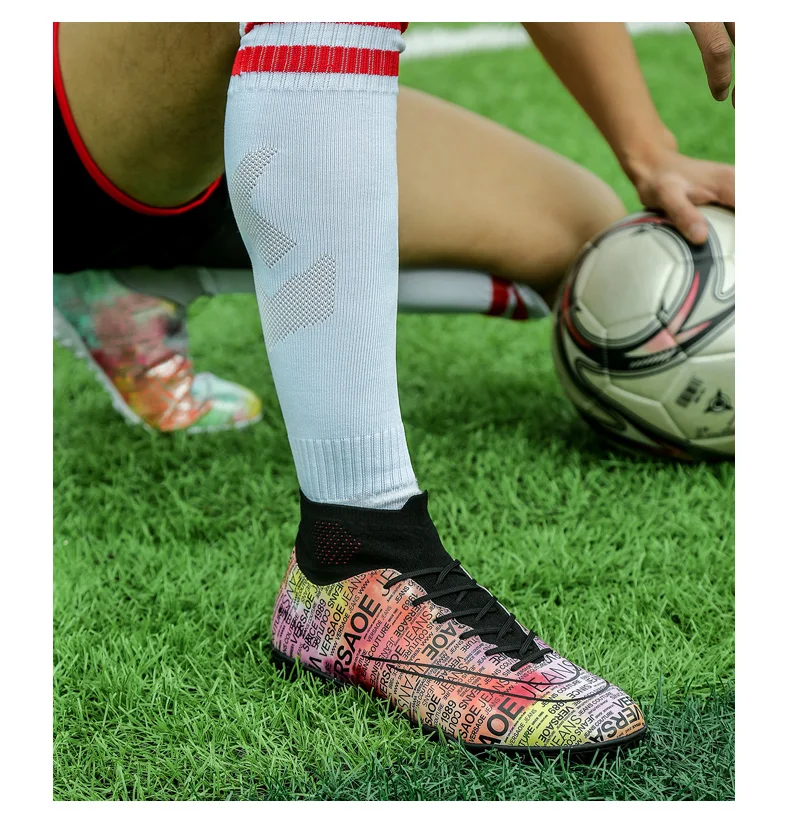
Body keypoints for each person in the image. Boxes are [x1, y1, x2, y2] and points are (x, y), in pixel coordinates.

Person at [53, 22, 734, 754]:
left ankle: (134, 281)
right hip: (80, 113)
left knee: (592, 239)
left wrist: (648, 148)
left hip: (248, 124)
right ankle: (356, 539)